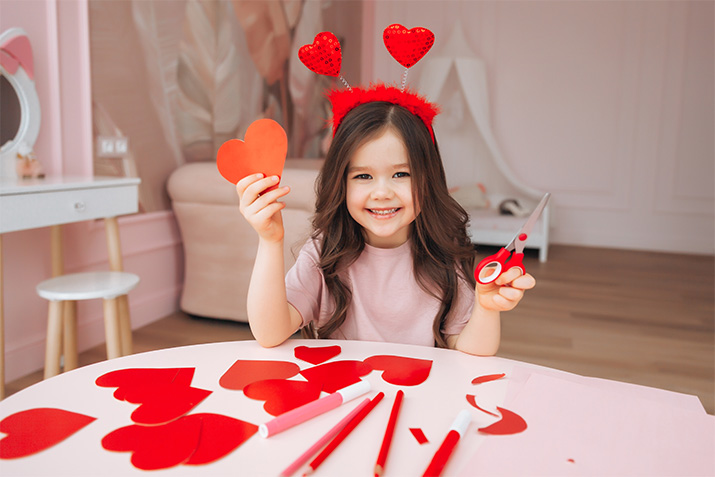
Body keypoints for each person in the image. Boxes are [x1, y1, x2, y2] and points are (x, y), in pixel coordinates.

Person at [236, 89, 535, 356]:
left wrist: (486, 307)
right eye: (363, 176)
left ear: (428, 180)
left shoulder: (442, 255)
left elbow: (471, 349)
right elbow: (269, 333)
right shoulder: (323, 253)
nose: (382, 193)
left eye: (401, 174)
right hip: (342, 395)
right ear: (341, 183)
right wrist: (270, 240)